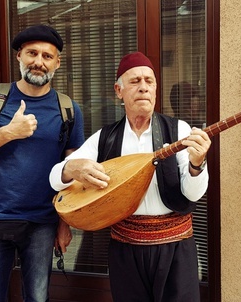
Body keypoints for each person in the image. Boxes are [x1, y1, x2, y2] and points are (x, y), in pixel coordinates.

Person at [49, 52, 211, 302]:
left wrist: (197, 165)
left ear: (156, 89)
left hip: (176, 248)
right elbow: (55, 177)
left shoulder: (179, 131)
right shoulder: (105, 138)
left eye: (149, 81)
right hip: (125, 250)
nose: (144, 88)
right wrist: (72, 169)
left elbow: (193, 194)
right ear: (118, 90)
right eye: (135, 81)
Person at [0, 24, 85, 302]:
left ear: (57, 63)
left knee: (37, 298)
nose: (39, 61)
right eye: (31, 53)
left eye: (47, 56)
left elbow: (72, 170)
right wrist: (7, 132)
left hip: (42, 224)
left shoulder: (68, 109)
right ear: (19, 57)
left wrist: (64, 223)